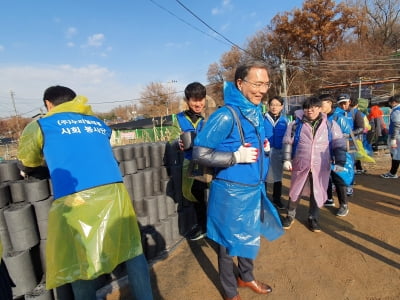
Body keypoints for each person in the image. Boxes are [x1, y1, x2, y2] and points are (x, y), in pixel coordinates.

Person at [17, 86, 153, 300]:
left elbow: (28, 161)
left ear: (48, 104)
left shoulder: (41, 125)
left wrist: (32, 169)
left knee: (78, 259)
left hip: (76, 197)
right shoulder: (97, 123)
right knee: (132, 249)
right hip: (114, 191)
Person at [192, 60, 284, 300]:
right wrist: (234, 156)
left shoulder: (255, 112)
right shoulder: (226, 115)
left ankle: (246, 276)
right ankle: (230, 291)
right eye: (257, 84)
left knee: (249, 237)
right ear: (240, 84)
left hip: (254, 189)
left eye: (266, 84)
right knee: (227, 245)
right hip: (230, 193)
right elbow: (200, 152)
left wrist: (263, 148)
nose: (262, 90)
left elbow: (251, 144)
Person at [281, 97, 347, 232]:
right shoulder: (294, 125)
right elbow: (287, 142)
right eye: (306, 108)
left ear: (319, 108)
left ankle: (313, 218)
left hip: (321, 165)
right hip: (301, 164)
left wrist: (340, 161)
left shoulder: (330, 125)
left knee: (317, 192)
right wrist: (286, 159)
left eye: (313, 107)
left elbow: (338, 144)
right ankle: (290, 215)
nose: (309, 110)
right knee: (295, 191)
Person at [175, 82, 208, 240]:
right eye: (195, 100)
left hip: (211, 161)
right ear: (188, 100)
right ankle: (203, 225)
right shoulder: (179, 119)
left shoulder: (210, 117)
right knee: (196, 194)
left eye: (201, 99)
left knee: (214, 195)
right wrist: (177, 142)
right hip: (191, 164)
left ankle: (210, 225)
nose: (198, 103)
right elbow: (170, 139)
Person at [319, 94, 353, 216]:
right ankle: (329, 198)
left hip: (337, 154)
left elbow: (346, 135)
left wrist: (340, 155)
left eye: (321, 104)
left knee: (339, 177)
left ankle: (344, 204)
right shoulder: (320, 117)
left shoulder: (339, 117)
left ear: (329, 103)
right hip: (324, 153)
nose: (319, 107)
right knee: (325, 176)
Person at [336, 94, 364, 196]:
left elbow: (361, 128)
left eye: (345, 103)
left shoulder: (355, 113)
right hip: (338, 142)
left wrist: (350, 133)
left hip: (351, 141)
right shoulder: (336, 113)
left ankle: (349, 186)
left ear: (349, 102)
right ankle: (338, 182)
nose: (343, 106)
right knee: (338, 163)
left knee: (350, 164)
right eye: (341, 104)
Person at [264, 96, 288, 209]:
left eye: (277, 105)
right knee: (263, 175)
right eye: (272, 104)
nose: (274, 107)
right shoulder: (263, 118)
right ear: (268, 106)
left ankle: (277, 199)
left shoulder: (285, 120)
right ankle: (263, 199)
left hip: (279, 152)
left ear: (281, 107)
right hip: (265, 152)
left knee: (278, 177)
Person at [381, 94, 400, 178]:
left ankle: (393, 173)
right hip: (397, 135)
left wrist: (393, 138)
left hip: (396, 136)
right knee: (396, 154)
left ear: (394, 102)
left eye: (390, 102)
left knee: (395, 154)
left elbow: (397, 125)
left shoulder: (396, 111)